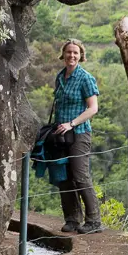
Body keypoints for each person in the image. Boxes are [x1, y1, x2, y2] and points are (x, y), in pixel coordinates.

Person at [52, 39, 101, 234]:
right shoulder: (60, 76)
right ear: (63, 54)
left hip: (79, 133)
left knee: (80, 176)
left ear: (81, 56)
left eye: (76, 53)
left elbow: (93, 108)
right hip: (60, 135)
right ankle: (72, 219)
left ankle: (94, 221)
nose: (71, 56)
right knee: (64, 177)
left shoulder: (85, 78)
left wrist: (72, 123)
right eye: (69, 52)